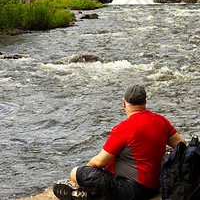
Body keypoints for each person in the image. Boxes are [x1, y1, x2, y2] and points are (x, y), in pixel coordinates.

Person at [53, 84, 186, 200]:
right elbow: (182, 145)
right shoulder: (161, 121)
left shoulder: (123, 128)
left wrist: (86, 172)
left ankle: (86, 192)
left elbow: (98, 162)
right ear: (145, 101)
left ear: (124, 103)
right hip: (157, 185)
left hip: (131, 191)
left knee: (76, 172)